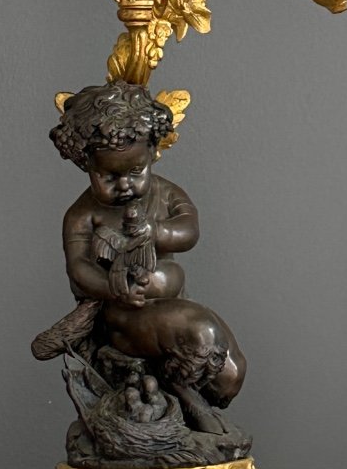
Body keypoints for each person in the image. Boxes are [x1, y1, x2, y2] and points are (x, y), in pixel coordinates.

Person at [44, 82, 246, 418]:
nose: (125, 184)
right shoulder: (82, 215)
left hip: (178, 303)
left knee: (231, 372)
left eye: (136, 171)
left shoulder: (165, 193)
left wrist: (155, 232)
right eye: (109, 176)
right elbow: (78, 269)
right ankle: (177, 398)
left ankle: (191, 408)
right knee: (202, 335)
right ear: (86, 163)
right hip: (128, 316)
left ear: (152, 152)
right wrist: (113, 287)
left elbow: (189, 230)